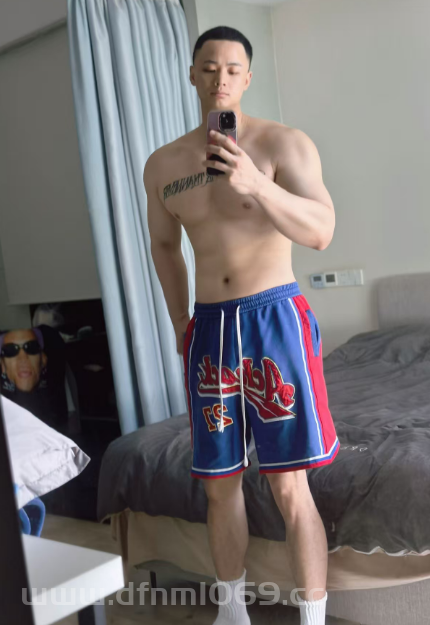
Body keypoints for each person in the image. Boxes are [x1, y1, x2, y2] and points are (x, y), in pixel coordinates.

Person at [144, 25, 339, 625]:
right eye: (209, 68)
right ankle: (232, 612)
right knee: (218, 483)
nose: (220, 78)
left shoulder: (284, 144)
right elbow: (164, 245)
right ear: (192, 75)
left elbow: (321, 230)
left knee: (288, 484)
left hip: (274, 317)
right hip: (209, 328)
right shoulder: (163, 165)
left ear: (248, 77)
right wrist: (180, 317)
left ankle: (312, 617)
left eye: (232, 69)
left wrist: (255, 183)